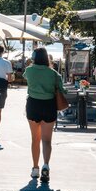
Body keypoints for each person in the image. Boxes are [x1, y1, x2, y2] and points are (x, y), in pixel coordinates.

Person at [23, 47, 65, 183]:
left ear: (34, 57)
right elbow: (62, 89)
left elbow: (26, 78)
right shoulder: (53, 74)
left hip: (33, 105)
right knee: (47, 140)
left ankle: (35, 168)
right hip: (49, 105)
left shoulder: (29, 70)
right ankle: (46, 166)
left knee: (35, 139)